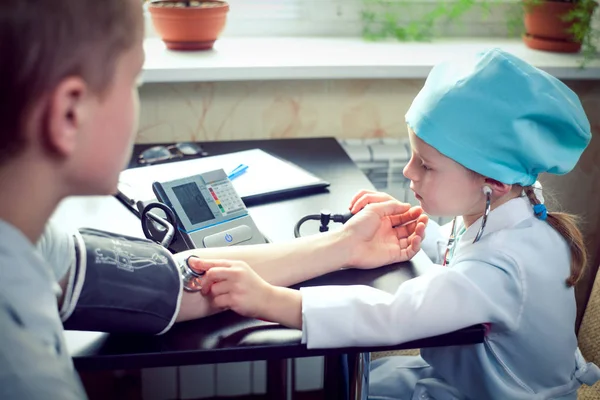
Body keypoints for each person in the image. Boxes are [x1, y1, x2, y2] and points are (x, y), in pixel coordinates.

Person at [0, 0, 427, 398]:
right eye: (134, 81)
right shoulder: (21, 370)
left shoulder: (31, 244)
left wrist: (344, 246)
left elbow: (173, 282)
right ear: (69, 115)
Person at [197, 49, 600, 399]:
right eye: (412, 156)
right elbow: (462, 258)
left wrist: (267, 300)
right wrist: (421, 232)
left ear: (491, 182)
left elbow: (391, 314)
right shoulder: (518, 205)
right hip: (472, 381)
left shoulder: (499, 270)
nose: (409, 172)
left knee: (354, 384)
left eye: (425, 165)